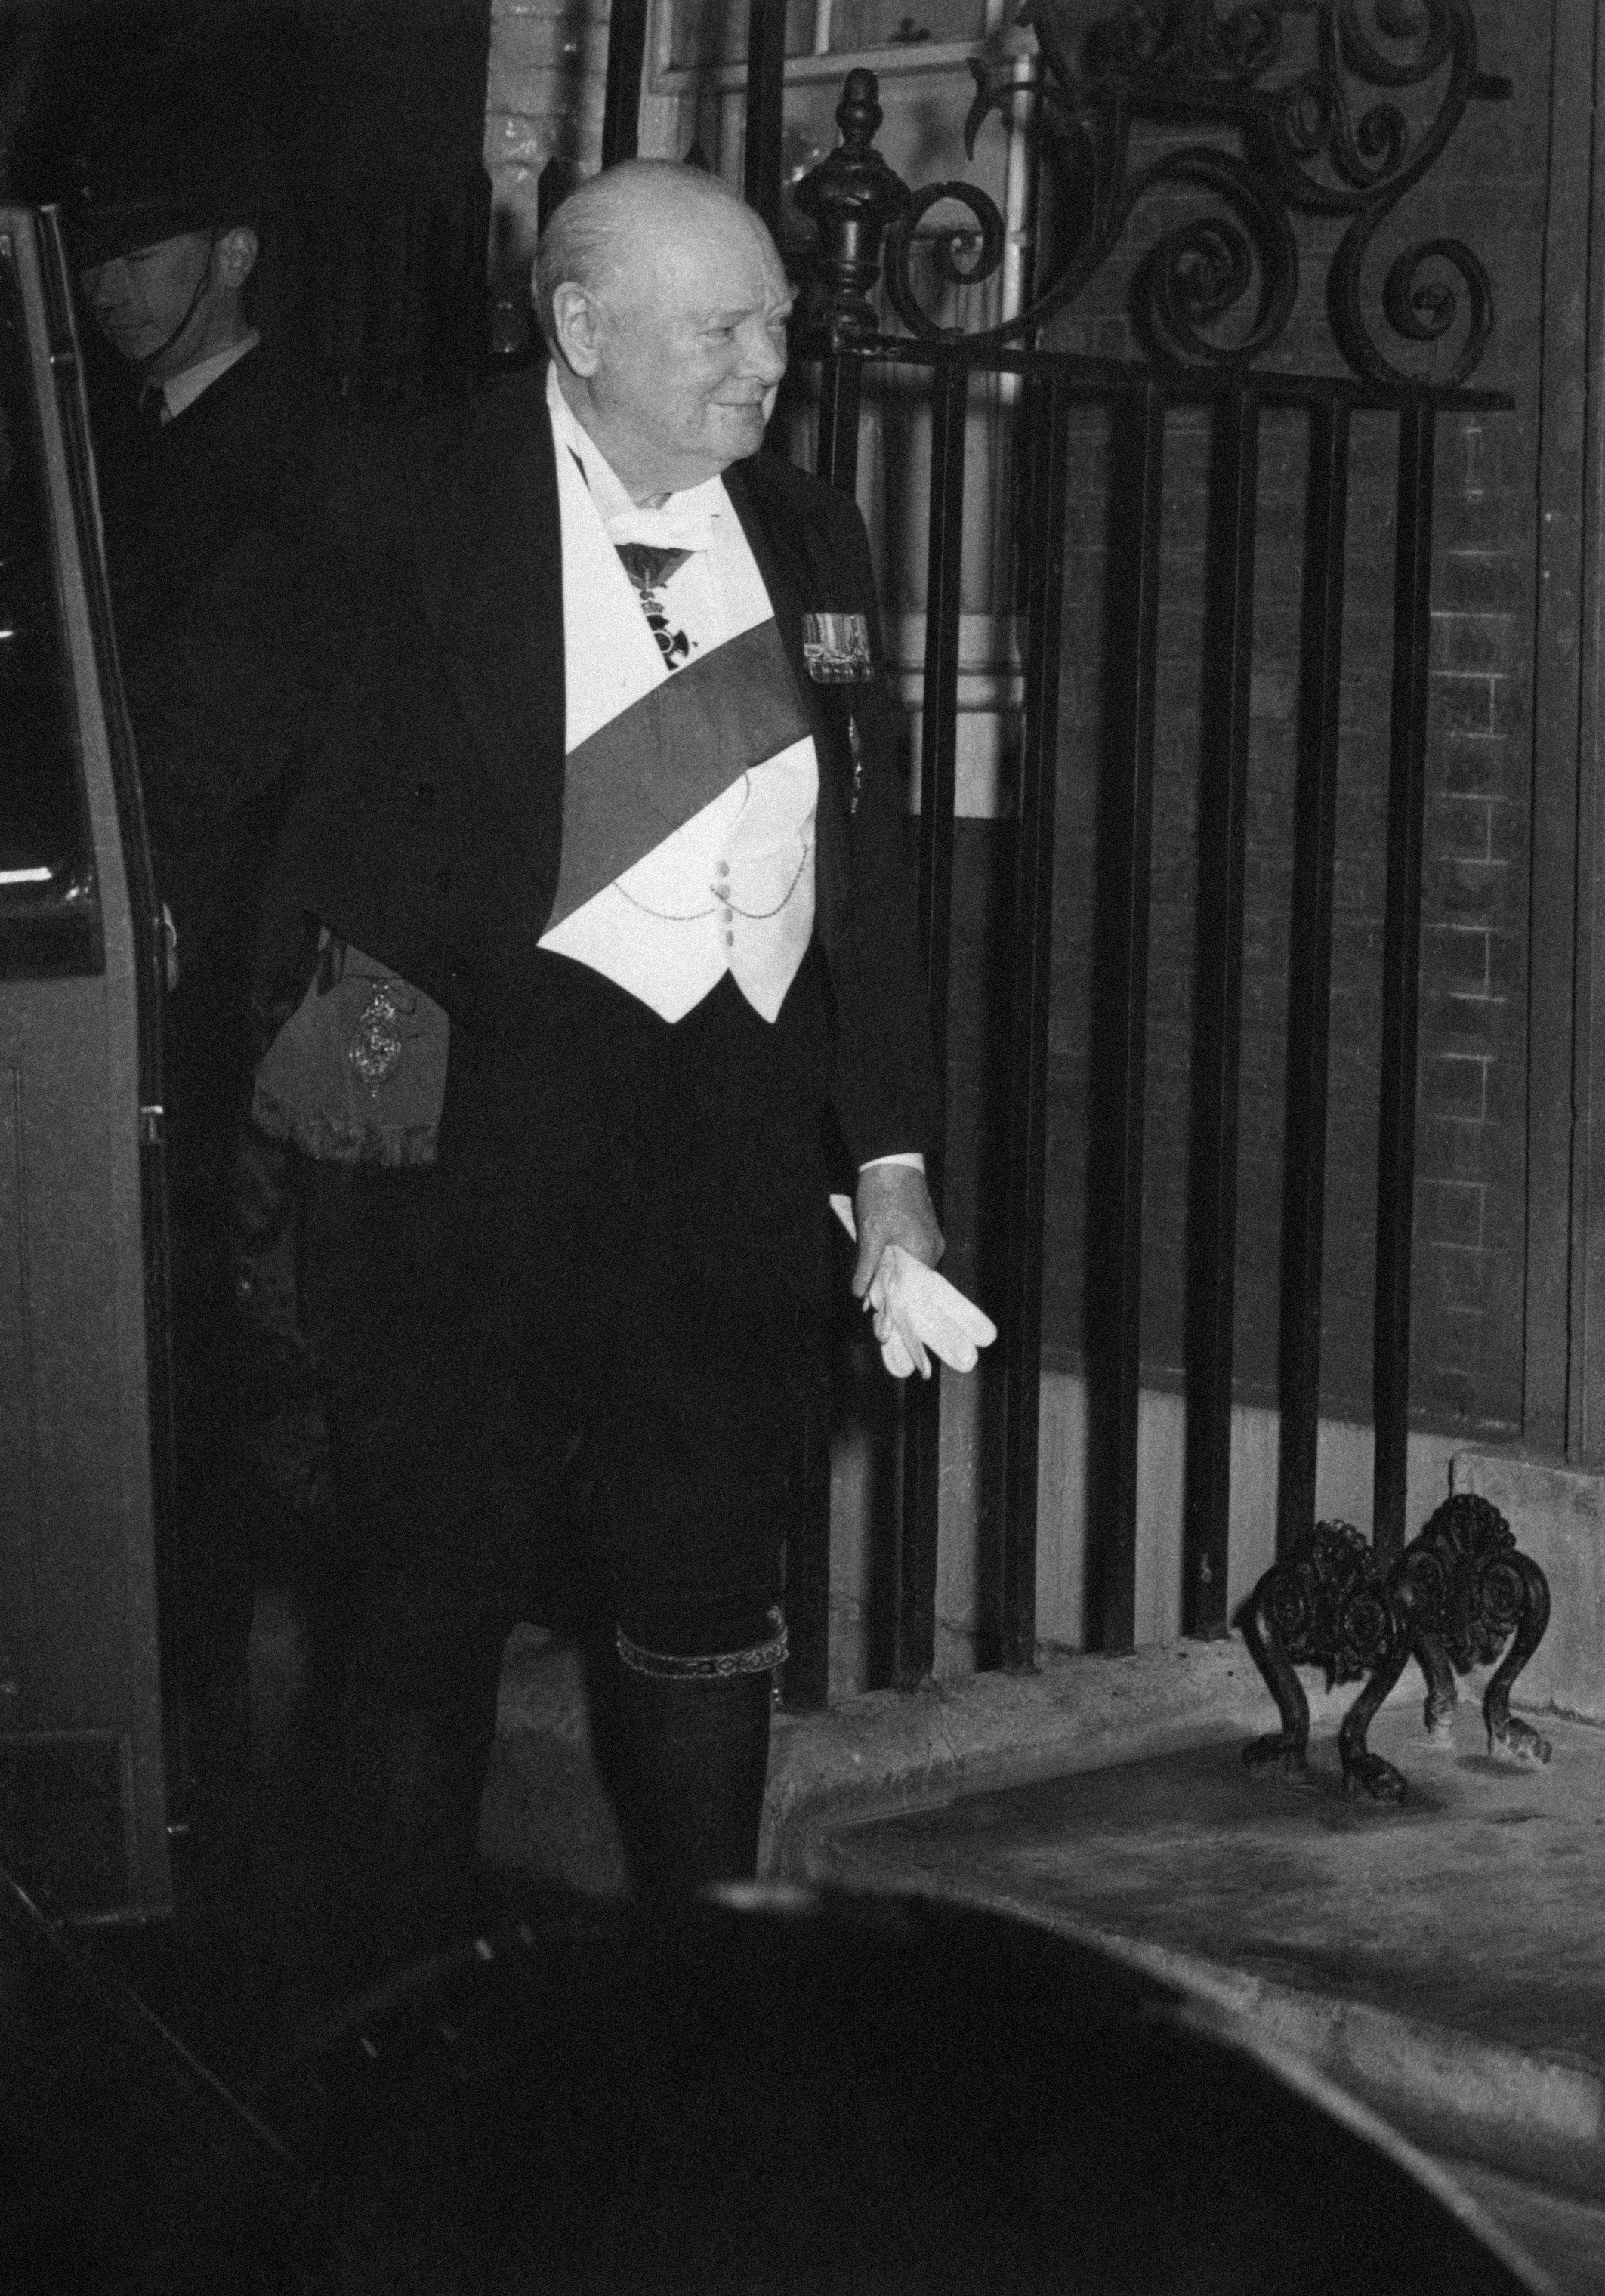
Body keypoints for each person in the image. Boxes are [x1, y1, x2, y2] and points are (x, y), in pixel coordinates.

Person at [137, 160, 946, 1955]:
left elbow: (865, 874)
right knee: (420, 1628)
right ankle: (409, 2028)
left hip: (722, 1182)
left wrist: (889, 1156)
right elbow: (179, 774)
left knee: (704, 1612)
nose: (768, 363)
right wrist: (271, 1050)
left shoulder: (814, 533)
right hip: (455, 1180)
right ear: (579, 329)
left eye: (779, 326)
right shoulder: (389, 499)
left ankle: (705, 1994)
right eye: (719, 328)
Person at [72, 119, 346, 1838]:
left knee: (239, 1379)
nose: (110, 281)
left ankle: (234, 1778)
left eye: (149, 243)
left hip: (242, 996)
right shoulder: (113, 443)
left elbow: (198, 743)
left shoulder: (295, 456)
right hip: (146, 988)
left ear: (237, 250)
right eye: (94, 249)